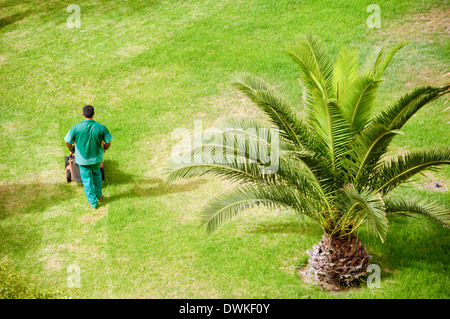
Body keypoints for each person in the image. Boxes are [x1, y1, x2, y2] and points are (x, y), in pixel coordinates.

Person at [64, 105, 113, 209]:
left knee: (87, 180)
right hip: (96, 159)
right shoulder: (100, 127)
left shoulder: (76, 127)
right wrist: (104, 148)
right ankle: (99, 196)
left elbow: (67, 142)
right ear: (94, 114)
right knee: (97, 175)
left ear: (83, 114)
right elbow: (108, 142)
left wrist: (72, 149)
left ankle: (93, 203)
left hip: (82, 160)